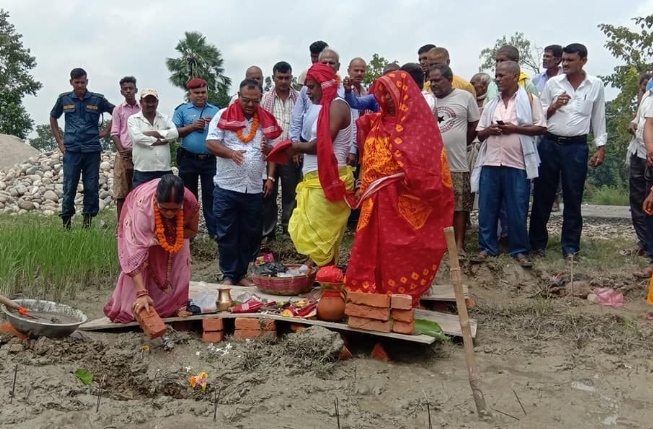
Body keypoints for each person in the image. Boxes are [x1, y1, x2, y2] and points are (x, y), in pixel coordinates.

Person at [345, 69, 454, 306]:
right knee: (372, 248)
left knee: (399, 248)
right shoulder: (377, 123)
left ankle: (401, 296)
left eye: (389, 94)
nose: (384, 100)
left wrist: (399, 177)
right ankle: (370, 296)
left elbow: (427, 169)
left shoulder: (418, 128)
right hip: (375, 201)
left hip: (402, 201)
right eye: (381, 94)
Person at [529, 43, 607, 262]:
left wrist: (601, 147)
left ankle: (570, 247)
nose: (565, 64)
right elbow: (540, 116)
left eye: (570, 60)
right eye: (563, 60)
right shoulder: (553, 84)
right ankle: (536, 244)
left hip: (577, 147)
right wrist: (554, 106)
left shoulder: (595, 85)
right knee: (543, 194)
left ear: (583, 60)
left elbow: (599, 117)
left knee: (574, 196)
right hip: (550, 144)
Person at [206, 79, 283, 285]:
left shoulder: (266, 120)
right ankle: (229, 275)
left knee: (250, 233)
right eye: (246, 100)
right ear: (238, 96)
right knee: (227, 233)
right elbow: (211, 143)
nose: (250, 104)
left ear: (260, 99)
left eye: (255, 101)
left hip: (254, 188)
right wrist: (230, 153)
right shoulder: (223, 115)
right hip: (227, 186)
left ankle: (242, 274)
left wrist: (271, 177)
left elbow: (274, 152)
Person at [471, 61, 547, 267]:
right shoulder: (491, 104)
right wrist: (491, 131)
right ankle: (487, 248)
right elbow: (480, 132)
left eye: (502, 75)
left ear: (515, 76)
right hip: (491, 162)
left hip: (517, 163)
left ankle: (519, 250)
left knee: (517, 208)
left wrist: (515, 129)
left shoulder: (530, 100)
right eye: (496, 75)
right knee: (487, 208)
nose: (497, 79)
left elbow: (541, 128)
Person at [283, 63, 355, 267]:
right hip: (314, 181)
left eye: (312, 87)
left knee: (323, 238)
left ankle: (327, 284)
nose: (308, 92)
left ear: (324, 85)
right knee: (314, 234)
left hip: (330, 180)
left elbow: (322, 145)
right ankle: (321, 281)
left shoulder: (338, 106)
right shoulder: (324, 108)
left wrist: (295, 147)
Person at [103, 174, 199, 323]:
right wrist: (142, 293)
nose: (169, 213)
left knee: (180, 253)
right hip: (140, 216)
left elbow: (192, 231)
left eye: (174, 210)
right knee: (143, 260)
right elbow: (134, 253)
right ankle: (140, 302)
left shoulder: (190, 202)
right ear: (156, 200)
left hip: (174, 233)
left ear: (182, 203)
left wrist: (169, 234)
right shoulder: (143, 207)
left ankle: (175, 305)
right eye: (165, 209)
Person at [50, 67, 115, 229]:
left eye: (83, 82)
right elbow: (53, 116)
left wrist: (107, 131)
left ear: (87, 81)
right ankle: (66, 223)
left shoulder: (97, 99)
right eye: (77, 82)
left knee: (91, 187)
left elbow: (117, 112)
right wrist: (59, 141)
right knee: (69, 185)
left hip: (92, 149)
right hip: (71, 149)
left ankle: (87, 222)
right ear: (71, 82)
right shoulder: (64, 99)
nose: (80, 85)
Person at [429, 64, 480, 257]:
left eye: (437, 80)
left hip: (458, 162)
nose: (433, 84)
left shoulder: (465, 97)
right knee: (436, 206)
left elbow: (475, 123)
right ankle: (437, 244)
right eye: (431, 81)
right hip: (433, 165)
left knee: (460, 206)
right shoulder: (428, 100)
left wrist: (461, 142)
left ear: (449, 79)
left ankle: (458, 246)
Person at [173, 78, 220, 241]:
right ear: (190, 94)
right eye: (197, 93)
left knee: (211, 196)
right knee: (188, 197)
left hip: (211, 160)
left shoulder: (215, 110)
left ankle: (214, 233)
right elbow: (174, 132)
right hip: (188, 159)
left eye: (203, 92)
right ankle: (188, 234)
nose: (201, 96)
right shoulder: (182, 110)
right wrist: (193, 126)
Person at [261, 61, 300, 239]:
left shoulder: (299, 98)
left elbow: (302, 124)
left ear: (291, 77)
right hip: (270, 152)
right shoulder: (266, 99)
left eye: (287, 77)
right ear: (273, 78)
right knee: (268, 191)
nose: (283, 81)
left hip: (291, 151)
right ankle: (269, 231)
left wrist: (299, 148)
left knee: (290, 192)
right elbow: (261, 125)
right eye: (280, 78)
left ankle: (288, 229)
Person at [128, 89, 179, 187]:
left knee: (165, 201)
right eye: (147, 101)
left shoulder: (165, 118)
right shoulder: (133, 119)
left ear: (157, 102)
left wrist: (153, 133)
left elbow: (175, 133)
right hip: (143, 170)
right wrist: (160, 140)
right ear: (141, 102)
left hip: (164, 170)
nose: (150, 104)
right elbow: (138, 138)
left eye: (153, 101)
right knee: (141, 201)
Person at [631, 79, 653, 276]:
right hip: (642, 153)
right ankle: (647, 246)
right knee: (644, 204)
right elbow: (647, 123)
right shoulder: (650, 94)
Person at [110, 76, 140, 221]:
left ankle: (137, 223)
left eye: (131, 88)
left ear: (136, 90)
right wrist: (124, 154)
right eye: (125, 89)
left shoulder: (143, 108)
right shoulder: (118, 110)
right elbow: (115, 133)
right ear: (121, 92)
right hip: (123, 154)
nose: (128, 91)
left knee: (139, 190)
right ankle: (121, 225)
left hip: (141, 154)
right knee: (121, 192)